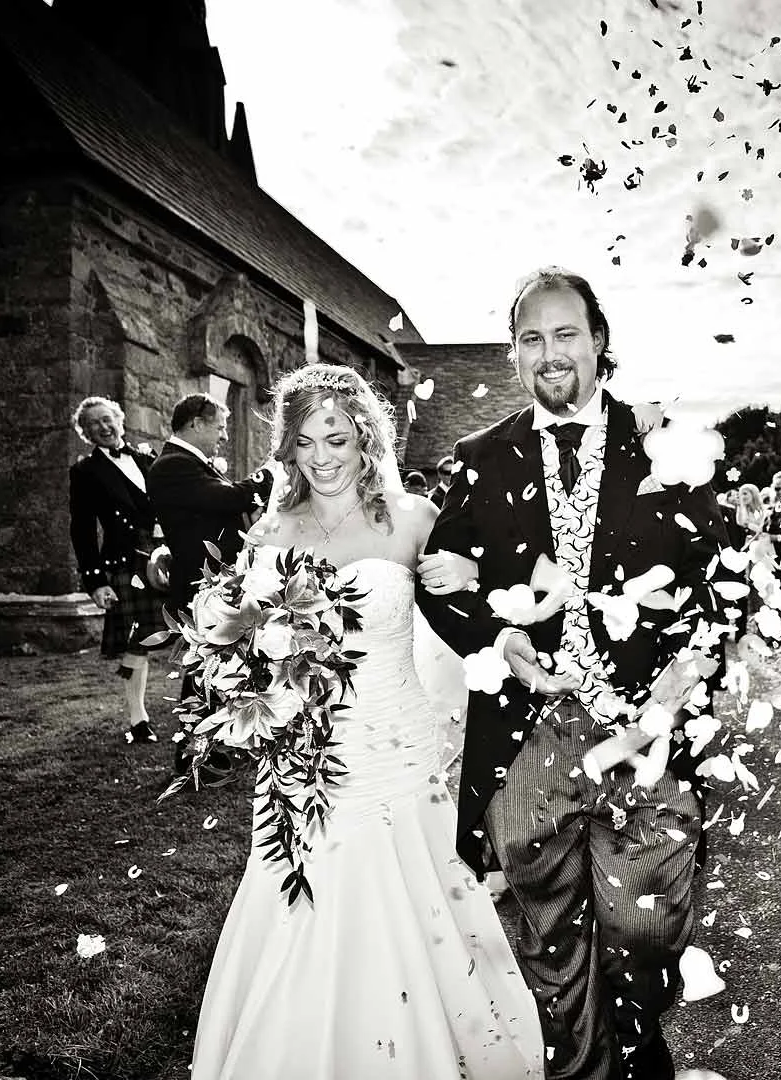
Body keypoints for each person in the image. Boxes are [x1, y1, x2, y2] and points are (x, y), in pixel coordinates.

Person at [416, 267, 735, 1080]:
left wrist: (685, 672)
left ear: (599, 341)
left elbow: (724, 580)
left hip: (644, 732)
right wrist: (500, 640)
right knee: (548, 938)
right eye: (531, 338)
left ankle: (637, 1040)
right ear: (514, 354)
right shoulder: (481, 458)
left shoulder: (668, 447)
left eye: (566, 334)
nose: (550, 353)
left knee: (646, 927)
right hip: (528, 733)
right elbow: (440, 584)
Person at [190, 363, 544, 1080]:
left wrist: (478, 584)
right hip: (301, 756)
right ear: (285, 446)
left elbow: (476, 597)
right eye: (304, 441)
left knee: (411, 904)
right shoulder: (268, 531)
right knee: (302, 901)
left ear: (365, 439)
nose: (321, 458)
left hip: (397, 750)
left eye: (337, 439)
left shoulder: (413, 519)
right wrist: (229, 642)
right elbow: (238, 632)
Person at [66, 396, 161, 743]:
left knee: (193, 630)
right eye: (93, 424)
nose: (103, 427)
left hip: (167, 554)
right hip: (126, 561)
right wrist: (95, 581)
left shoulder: (148, 458)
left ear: (120, 420)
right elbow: (82, 529)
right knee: (137, 638)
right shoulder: (85, 472)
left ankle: (201, 710)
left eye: (107, 419)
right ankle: (139, 719)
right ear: (85, 433)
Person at [145, 394, 273, 621]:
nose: (224, 436)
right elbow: (230, 498)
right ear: (197, 424)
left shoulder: (188, 462)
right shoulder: (173, 464)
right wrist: (269, 473)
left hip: (216, 585)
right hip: (201, 589)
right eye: (220, 428)